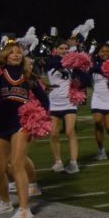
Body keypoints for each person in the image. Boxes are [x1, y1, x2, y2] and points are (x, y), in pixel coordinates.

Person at [0, 41, 49, 218]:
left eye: (18, 53)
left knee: (16, 164)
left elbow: (44, 101)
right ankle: (5, 202)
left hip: (20, 124)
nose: (15, 55)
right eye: (11, 52)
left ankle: (24, 208)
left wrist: (39, 117)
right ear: (4, 55)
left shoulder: (29, 75)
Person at [44, 42, 82, 173]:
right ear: (55, 49)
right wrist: (72, 60)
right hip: (54, 102)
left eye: (66, 48)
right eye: (61, 48)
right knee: (53, 133)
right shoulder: (51, 61)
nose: (64, 50)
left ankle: (73, 162)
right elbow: (56, 64)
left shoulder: (73, 64)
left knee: (69, 132)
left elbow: (84, 78)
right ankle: (58, 162)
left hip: (69, 101)